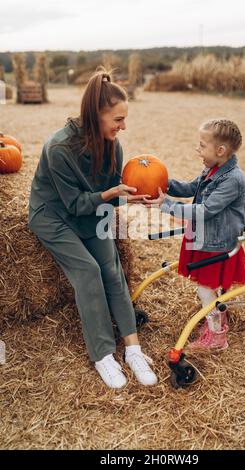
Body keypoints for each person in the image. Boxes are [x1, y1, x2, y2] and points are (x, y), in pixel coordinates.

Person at [28, 68, 158, 389]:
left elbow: (115, 194)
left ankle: (133, 350)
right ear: (95, 115)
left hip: (93, 210)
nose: (123, 126)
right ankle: (103, 355)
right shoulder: (58, 149)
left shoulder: (114, 145)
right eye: (118, 120)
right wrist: (110, 195)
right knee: (87, 271)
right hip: (54, 215)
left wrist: (135, 198)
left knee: (112, 270)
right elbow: (73, 204)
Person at [143, 119, 245, 350]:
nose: (197, 150)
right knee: (208, 288)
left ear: (220, 150)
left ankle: (217, 337)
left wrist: (165, 205)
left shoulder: (232, 179)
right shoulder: (214, 168)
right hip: (205, 239)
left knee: (204, 288)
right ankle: (217, 315)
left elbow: (204, 210)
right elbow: (192, 188)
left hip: (217, 244)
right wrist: (162, 183)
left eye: (202, 146)